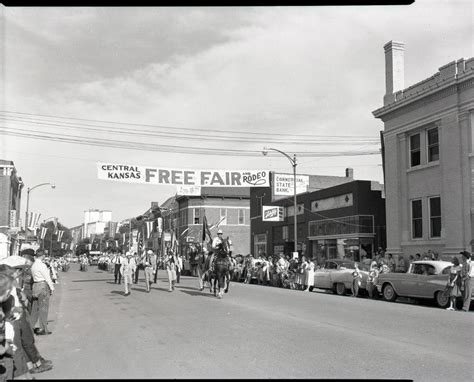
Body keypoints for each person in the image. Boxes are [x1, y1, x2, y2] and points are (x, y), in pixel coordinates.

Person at [30, 250, 54, 335]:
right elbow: (47, 277)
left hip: (35, 286)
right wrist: (51, 287)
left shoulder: (33, 266)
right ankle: (43, 328)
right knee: (43, 308)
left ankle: (30, 327)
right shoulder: (42, 265)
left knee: (34, 308)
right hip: (42, 285)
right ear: (42, 256)